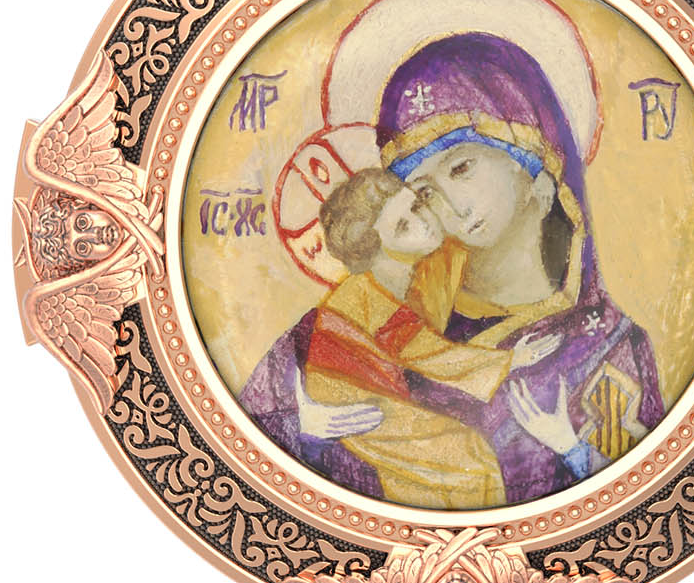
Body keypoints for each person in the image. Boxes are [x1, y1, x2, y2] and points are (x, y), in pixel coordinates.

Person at [241, 32, 664, 506]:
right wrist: (301, 428)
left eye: (461, 168)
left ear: (535, 165)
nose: (446, 203)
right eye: (422, 191)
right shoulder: (351, 324)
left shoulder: (608, 345)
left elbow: (636, 496)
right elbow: (246, 435)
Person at [298, 167, 558, 509]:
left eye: (417, 205)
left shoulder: (411, 275)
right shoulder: (370, 294)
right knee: (469, 462)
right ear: (376, 250)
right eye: (403, 226)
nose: (424, 223)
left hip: (376, 398)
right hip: (355, 407)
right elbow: (426, 353)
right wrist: (508, 361)